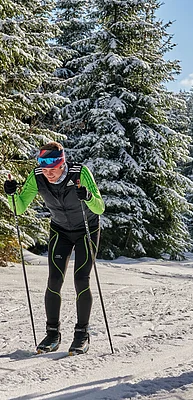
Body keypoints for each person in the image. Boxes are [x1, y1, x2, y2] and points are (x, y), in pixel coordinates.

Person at [4, 141, 105, 355]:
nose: (48, 173)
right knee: (54, 280)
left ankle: (81, 334)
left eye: (52, 169)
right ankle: (52, 334)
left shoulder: (79, 173)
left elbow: (100, 207)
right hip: (60, 230)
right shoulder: (38, 176)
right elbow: (19, 208)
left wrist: (87, 196)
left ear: (62, 164)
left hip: (87, 229)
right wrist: (11, 194)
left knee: (81, 280)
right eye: (45, 168)